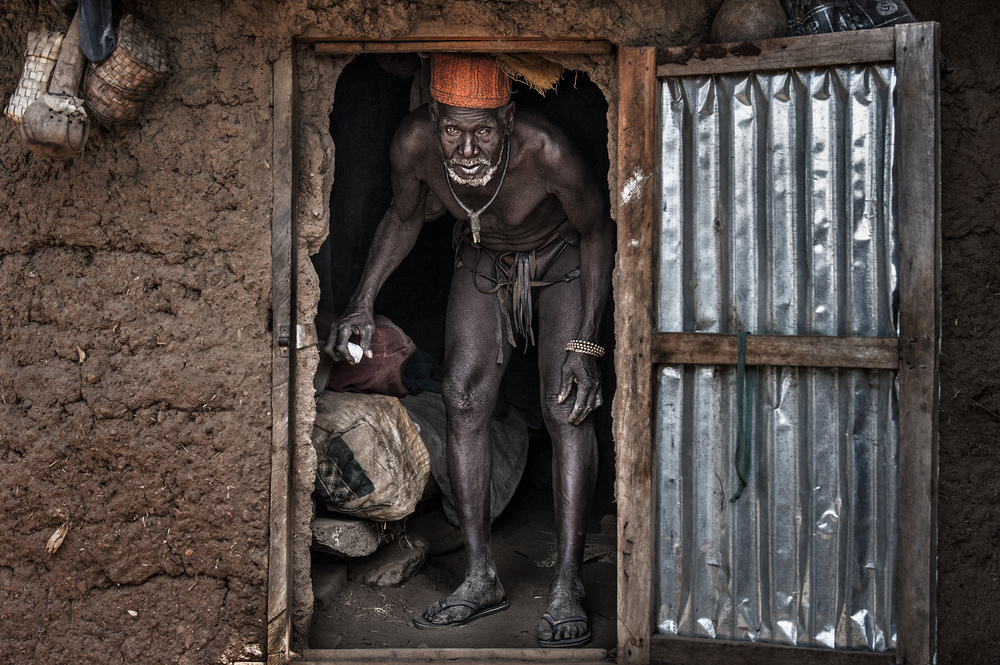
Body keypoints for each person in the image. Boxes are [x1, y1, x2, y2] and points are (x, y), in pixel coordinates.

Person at [326, 53, 614, 648]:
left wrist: (586, 343)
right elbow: (404, 218)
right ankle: (480, 576)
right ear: (433, 116)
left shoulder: (546, 150)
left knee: (566, 407)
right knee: (461, 397)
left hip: (560, 261)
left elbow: (596, 230)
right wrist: (360, 302)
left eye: (483, 130)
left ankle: (566, 584)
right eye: (453, 128)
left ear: (508, 120)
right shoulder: (415, 144)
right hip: (484, 259)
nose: (466, 148)